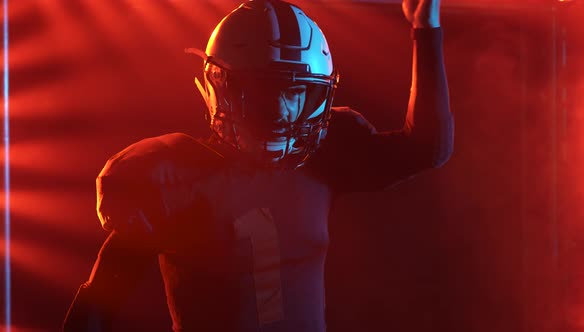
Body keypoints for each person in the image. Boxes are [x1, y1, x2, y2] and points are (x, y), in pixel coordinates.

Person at [63, 0, 452, 331]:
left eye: (296, 90)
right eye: (263, 91)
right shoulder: (175, 178)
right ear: (222, 87)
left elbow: (427, 147)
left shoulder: (324, 157)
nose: (281, 110)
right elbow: (99, 304)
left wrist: (425, 29)